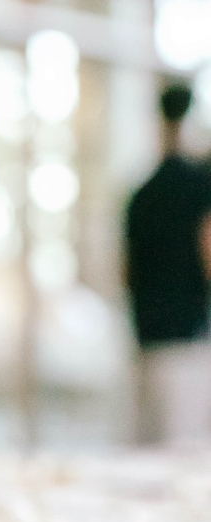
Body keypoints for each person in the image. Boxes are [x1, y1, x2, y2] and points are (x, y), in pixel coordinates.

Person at [127, 85, 211, 448]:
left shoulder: (141, 195)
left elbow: (126, 271)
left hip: (148, 335)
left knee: (152, 447)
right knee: (185, 451)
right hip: (189, 335)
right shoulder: (200, 187)